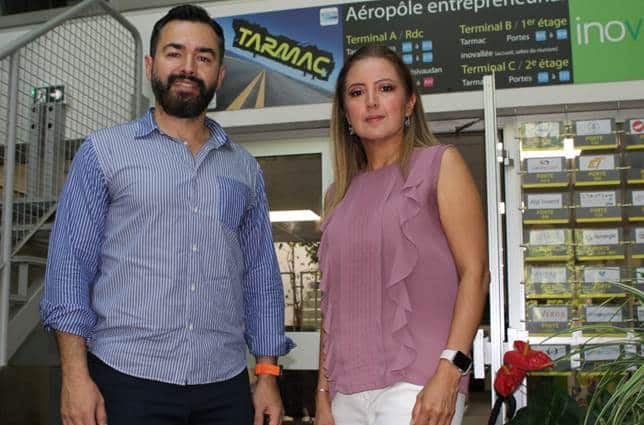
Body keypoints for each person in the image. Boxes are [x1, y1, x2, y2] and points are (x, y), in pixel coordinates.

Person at [40, 5, 294, 425]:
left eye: (203, 57)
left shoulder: (244, 168)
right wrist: (74, 375)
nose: (188, 67)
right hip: (125, 379)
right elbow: (69, 267)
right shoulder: (103, 153)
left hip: (225, 385)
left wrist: (267, 373)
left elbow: (261, 276)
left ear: (220, 75)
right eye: (174, 53)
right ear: (150, 65)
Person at [313, 45, 489, 425]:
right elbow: (332, 305)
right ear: (345, 113)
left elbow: (476, 274)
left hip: (419, 386)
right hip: (346, 391)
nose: (371, 102)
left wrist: (450, 369)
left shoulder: (440, 164)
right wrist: (322, 394)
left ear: (410, 103)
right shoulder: (336, 195)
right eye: (357, 93)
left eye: (385, 88)